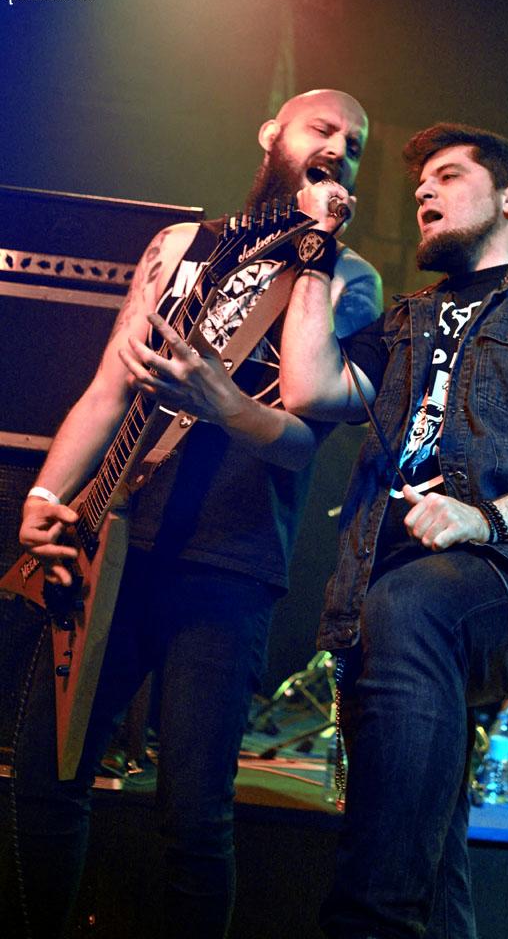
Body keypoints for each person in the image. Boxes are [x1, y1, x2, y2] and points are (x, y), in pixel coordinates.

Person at [3, 89, 381, 938]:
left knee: (194, 814)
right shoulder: (181, 246)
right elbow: (109, 388)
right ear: (272, 135)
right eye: (322, 128)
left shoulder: (348, 278)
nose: (339, 147)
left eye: (355, 144)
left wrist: (229, 403)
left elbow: (300, 442)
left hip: (228, 562)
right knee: (45, 777)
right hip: (110, 539)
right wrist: (44, 498)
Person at [281, 122, 508, 938]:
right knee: (428, 839)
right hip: (379, 599)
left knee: (412, 608)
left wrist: (487, 519)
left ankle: (366, 924)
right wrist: (313, 248)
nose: (423, 192)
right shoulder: (406, 320)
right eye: (419, 185)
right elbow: (307, 389)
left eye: (446, 176)